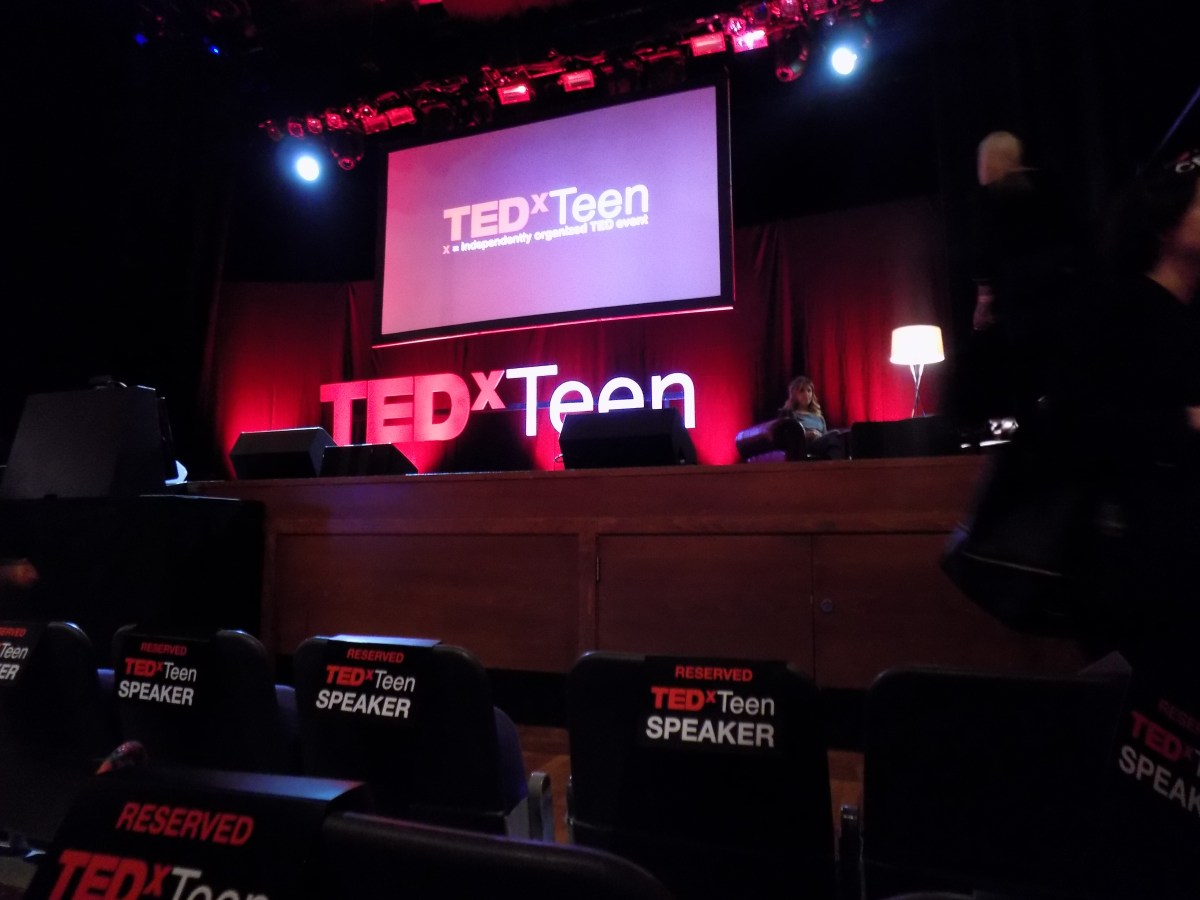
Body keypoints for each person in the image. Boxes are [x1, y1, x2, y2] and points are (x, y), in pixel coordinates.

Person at [780, 375, 847, 460]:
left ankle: (835, 464)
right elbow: (787, 438)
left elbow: (825, 435)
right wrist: (806, 434)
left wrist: (820, 436)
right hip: (805, 446)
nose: (806, 394)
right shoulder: (791, 415)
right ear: (794, 395)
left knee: (840, 438)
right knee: (835, 434)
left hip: (821, 444)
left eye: (809, 391)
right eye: (802, 391)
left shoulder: (819, 417)